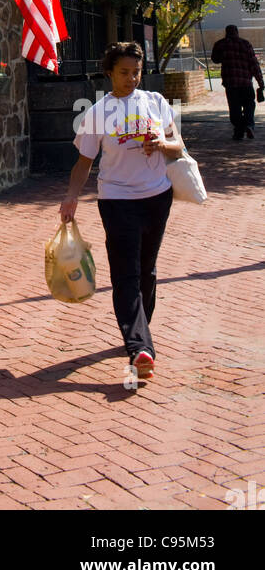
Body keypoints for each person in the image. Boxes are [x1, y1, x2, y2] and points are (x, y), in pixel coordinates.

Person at [59, 41, 183, 382]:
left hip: (157, 196)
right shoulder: (97, 112)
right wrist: (71, 198)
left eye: (137, 72)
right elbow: (83, 163)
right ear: (110, 72)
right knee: (126, 273)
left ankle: (141, 329)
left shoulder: (156, 102)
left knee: (147, 270)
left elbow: (178, 146)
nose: (131, 79)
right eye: (124, 72)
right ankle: (140, 347)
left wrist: (161, 144)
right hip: (116, 200)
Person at [210, 24, 264, 141]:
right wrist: (260, 82)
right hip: (246, 83)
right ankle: (248, 125)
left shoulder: (221, 44)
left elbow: (215, 59)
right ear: (237, 32)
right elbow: (254, 64)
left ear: (226, 33)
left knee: (235, 109)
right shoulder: (246, 44)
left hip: (231, 84)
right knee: (249, 105)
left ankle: (239, 132)